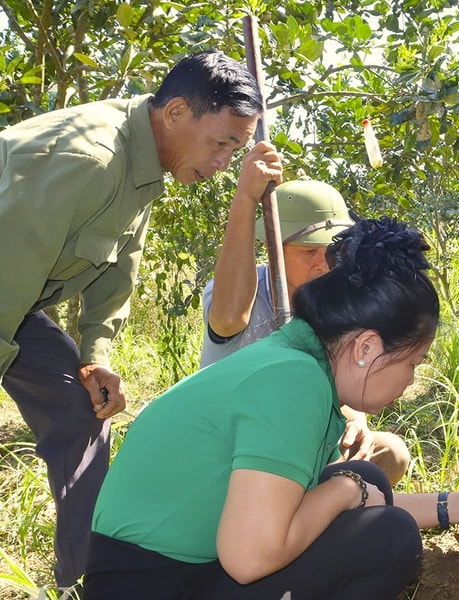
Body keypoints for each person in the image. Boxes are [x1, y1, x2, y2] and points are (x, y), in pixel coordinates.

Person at [84, 217, 459, 600]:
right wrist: (346, 491)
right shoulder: (293, 384)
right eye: (413, 362)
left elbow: (344, 499)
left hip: (171, 572)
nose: (411, 380)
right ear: (366, 347)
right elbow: (249, 558)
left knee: (365, 477)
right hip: (155, 583)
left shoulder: (296, 362)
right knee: (388, 534)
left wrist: (458, 505)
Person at [0, 49, 281, 590]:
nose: (224, 163)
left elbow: (116, 267)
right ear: (176, 113)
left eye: (235, 150)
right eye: (221, 143)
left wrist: (94, 357)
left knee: (82, 411)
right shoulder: (89, 159)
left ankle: (89, 583)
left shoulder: (146, 162)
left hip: (16, 303)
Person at [200, 178, 410, 485]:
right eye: (309, 252)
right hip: (234, 446)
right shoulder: (236, 295)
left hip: (301, 439)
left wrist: (356, 420)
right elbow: (228, 319)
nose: (322, 265)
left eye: (332, 252)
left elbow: (341, 379)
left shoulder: (337, 301)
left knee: (390, 454)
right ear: (274, 248)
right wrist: (245, 196)